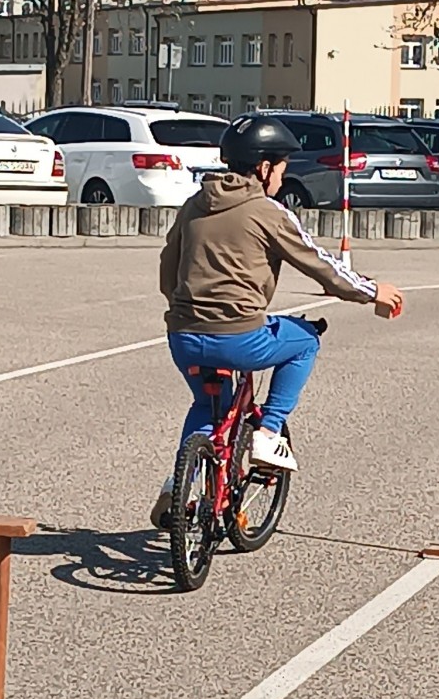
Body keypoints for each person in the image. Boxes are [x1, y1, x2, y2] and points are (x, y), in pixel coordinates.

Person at [150, 113, 403, 528]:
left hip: (183, 336)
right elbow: (320, 265)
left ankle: (177, 488)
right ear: (264, 167)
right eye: (282, 168)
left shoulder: (194, 204)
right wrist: (372, 291)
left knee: (208, 405)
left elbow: (168, 267)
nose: (283, 178)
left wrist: (188, 310)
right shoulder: (268, 212)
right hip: (239, 338)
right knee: (305, 341)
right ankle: (268, 435)